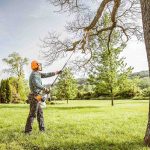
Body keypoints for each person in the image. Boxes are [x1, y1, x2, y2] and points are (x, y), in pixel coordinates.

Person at [25, 60, 62, 134]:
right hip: (34, 96)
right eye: (39, 65)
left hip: (37, 96)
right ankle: (27, 131)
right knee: (32, 114)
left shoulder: (37, 73)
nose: (40, 66)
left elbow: (46, 74)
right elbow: (36, 84)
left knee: (40, 113)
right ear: (36, 66)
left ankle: (42, 130)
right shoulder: (34, 74)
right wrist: (45, 89)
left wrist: (56, 72)